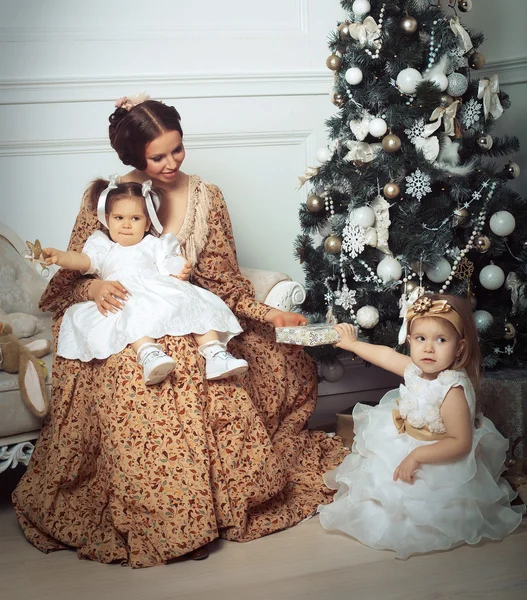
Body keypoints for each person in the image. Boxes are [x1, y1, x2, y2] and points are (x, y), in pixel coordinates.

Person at [12, 94, 347, 568]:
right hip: (120, 317)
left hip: (184, 311)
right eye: (157, 156)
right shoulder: (108, 198)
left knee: (242, 361)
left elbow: (223, 282)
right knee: (142, 378)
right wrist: (96, 290)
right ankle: (169, 520)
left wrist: (267, 315)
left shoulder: (206, 197)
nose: (170, 163)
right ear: (133, 158)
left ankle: (211, 506)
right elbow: (74, 274)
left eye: (177, 149)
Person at [318, 293, 525, 559]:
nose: (428, 348)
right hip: (409, 438)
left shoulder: (451, 391)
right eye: (420, 339)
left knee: (424, 506)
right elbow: (385, 355)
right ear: (410, 340)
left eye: (441, 340)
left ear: (459, 347)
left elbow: (460, 443)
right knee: (380, 487)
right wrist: (353, 344)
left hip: (440, 453)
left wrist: (416, 455)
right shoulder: (415, 370)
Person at [42, 177, 248, 385]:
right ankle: (149, 354)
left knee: (195, 303)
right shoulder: (103, 246)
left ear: (147, 222)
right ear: (107, 219)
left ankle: (214, 353)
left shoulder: (154, 244)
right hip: (124, 292)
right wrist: (61, 257)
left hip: (158, 289)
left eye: (135, 219)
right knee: (129, 312)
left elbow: (169, 263)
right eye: (119, 217)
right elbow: (83, 260)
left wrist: (180, 268)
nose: (126, 225)